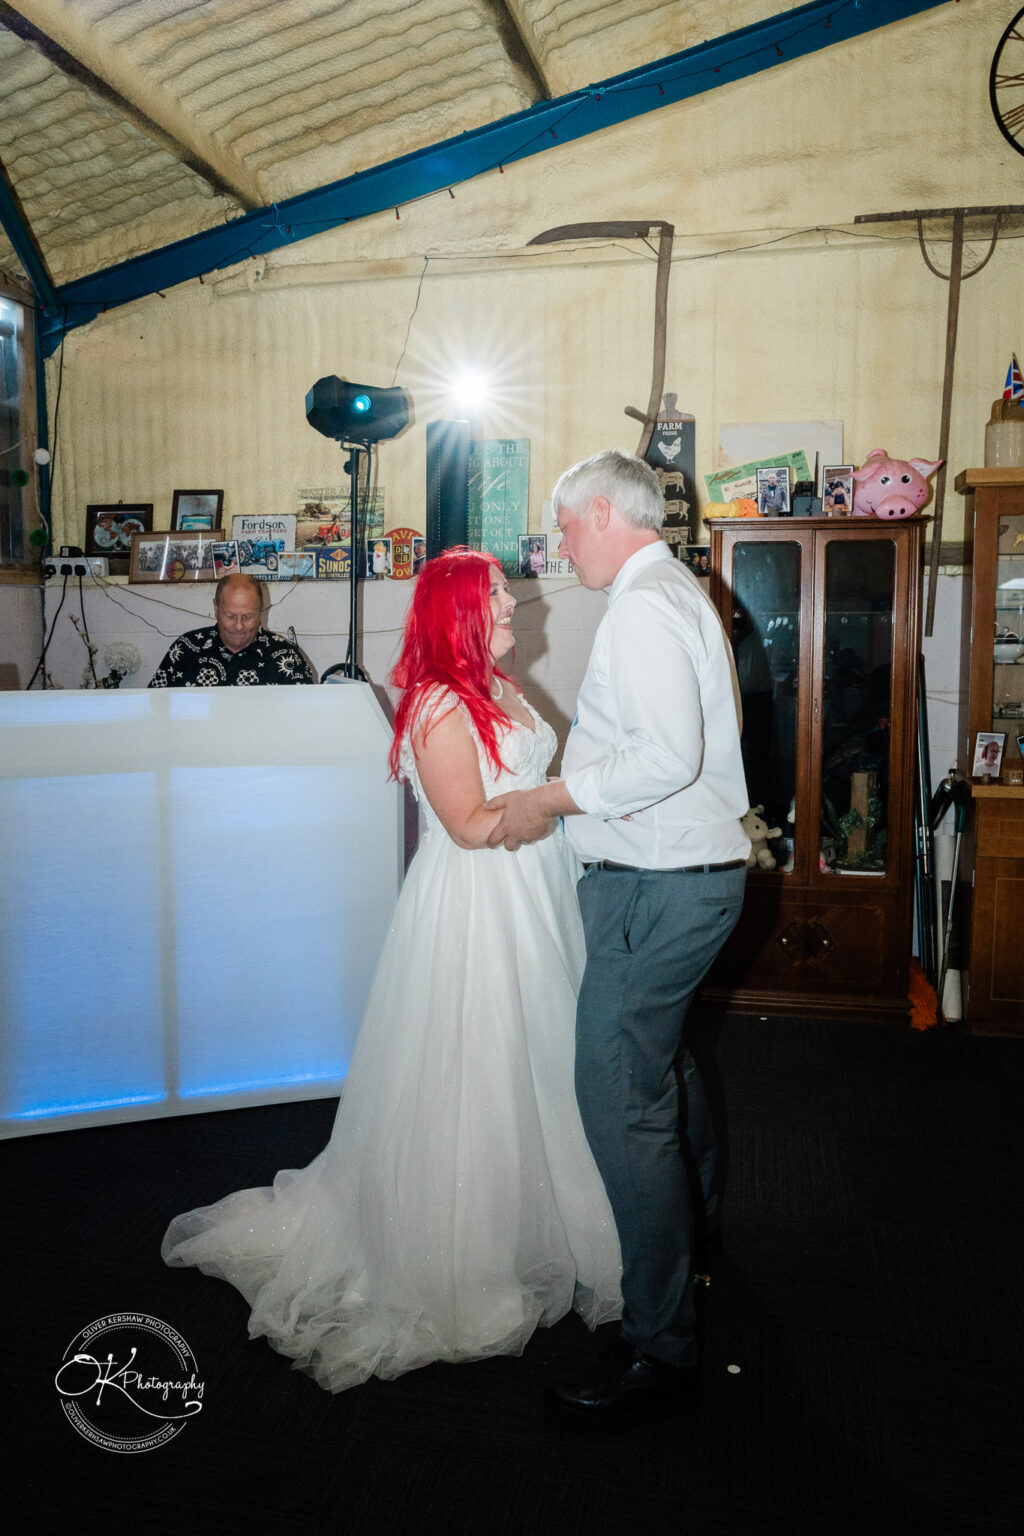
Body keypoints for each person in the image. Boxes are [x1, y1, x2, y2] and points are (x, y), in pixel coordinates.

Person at [161, 549, 622, 1391]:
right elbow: (472, 825)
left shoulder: (498, 687)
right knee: (476, 1067)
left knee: (542, 1062)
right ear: (459, 615)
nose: (517, 616)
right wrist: (568, 798)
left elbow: (518, 794)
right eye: (501, 606)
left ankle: (548, 1222)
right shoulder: (442, 704)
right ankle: (461, 1253)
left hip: (534, 892)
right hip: (480, 903)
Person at [487, 449, 749, 1419]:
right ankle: (698, 1237)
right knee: (665, 1065)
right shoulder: (674, 588)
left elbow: (662, 758)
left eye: (562, 526)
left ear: (602, 512)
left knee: (616, 1098)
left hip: (656, 885)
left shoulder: (642, 605)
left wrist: (547, 800)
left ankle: (659, 1347)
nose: (559, 547)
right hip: (682, 880)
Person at [148, 572, 315, 686]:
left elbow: (305, 719)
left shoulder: (286, 656)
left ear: (261, 610)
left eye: (248, 617)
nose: (239, 626)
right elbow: (154, 710)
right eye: (230, 616)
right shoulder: (186, 650)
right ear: (216, 607)